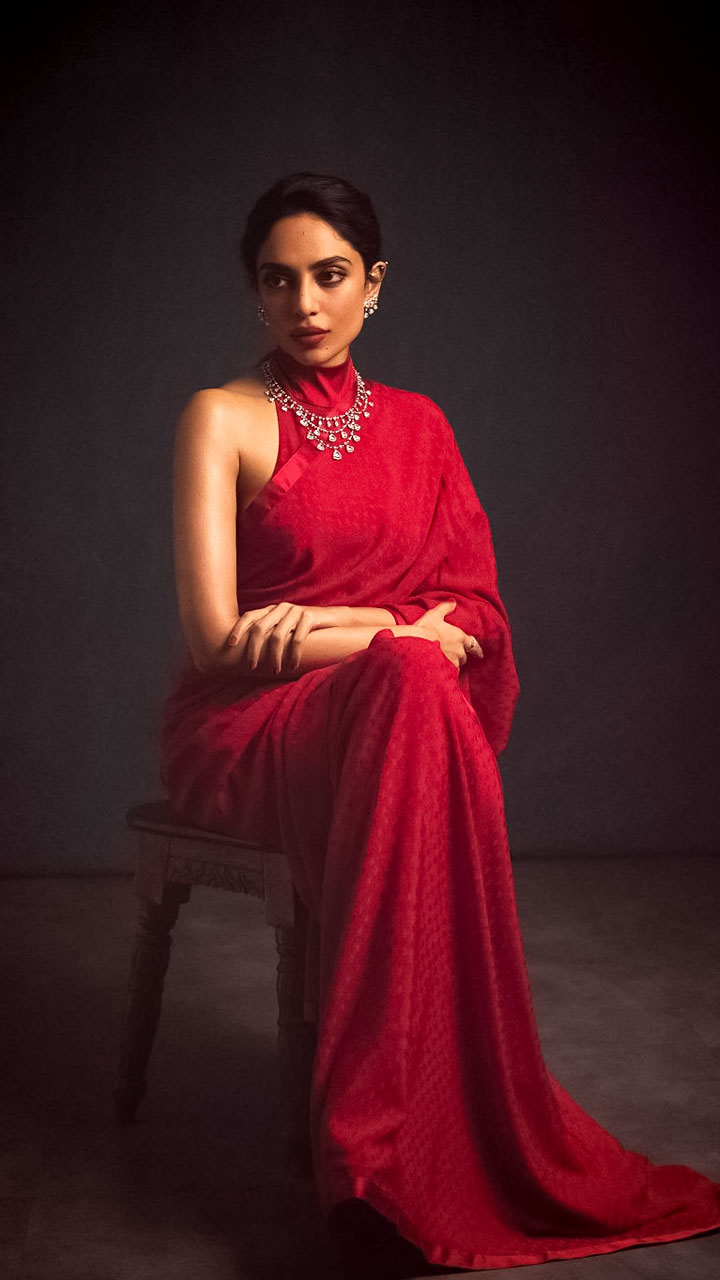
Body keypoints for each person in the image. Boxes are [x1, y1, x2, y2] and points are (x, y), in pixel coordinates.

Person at [161, 173, 719, 1275]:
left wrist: (366, 635)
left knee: (416, 688)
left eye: (330, 276)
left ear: (374, 283)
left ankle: (378, 1162)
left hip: (386, 709)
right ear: (253, 291)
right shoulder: (219, 417)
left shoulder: (421, 428)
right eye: (279, 280)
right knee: (412, 680)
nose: (305, 304)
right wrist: (381, 630)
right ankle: (374, 1159)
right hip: (250, 726)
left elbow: (476, 617)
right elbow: (218, 643)